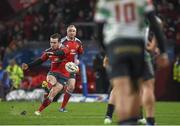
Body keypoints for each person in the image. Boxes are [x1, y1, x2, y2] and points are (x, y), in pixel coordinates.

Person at [94, 0, 169, 124]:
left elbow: (99, 32)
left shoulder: (105, 2)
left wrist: (107, 52)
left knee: (120, 89)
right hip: (138, 48)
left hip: (117, 48)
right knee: (143, 87)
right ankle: (149, 120)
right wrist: (163, 51)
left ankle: (120, 119)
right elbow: (157, 24)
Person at [22, 33, 70, 115]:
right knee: (52, 82)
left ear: (59, 42)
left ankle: (39, 110)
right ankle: (47, 87)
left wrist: (53, 53)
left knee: (52, 94)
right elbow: (40, 60)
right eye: (51, 42)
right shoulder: (48, 51)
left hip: (64, 76)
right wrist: (28, 65)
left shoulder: (65, 49)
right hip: (53, 73)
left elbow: (61, 53)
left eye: (54, 43)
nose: (52, 44)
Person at [59, 25, 83, 112]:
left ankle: (62, 107)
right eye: (70, 31)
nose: (72, 32)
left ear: (75, 32)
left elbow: (80, 53)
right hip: (61, 67)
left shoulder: (78, 42)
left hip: (71, 67)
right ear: (67, 32)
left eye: (73, 31)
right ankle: (47, 96)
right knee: (58, 87)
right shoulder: (62, 42)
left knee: (71, 87)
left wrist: (77, 61)